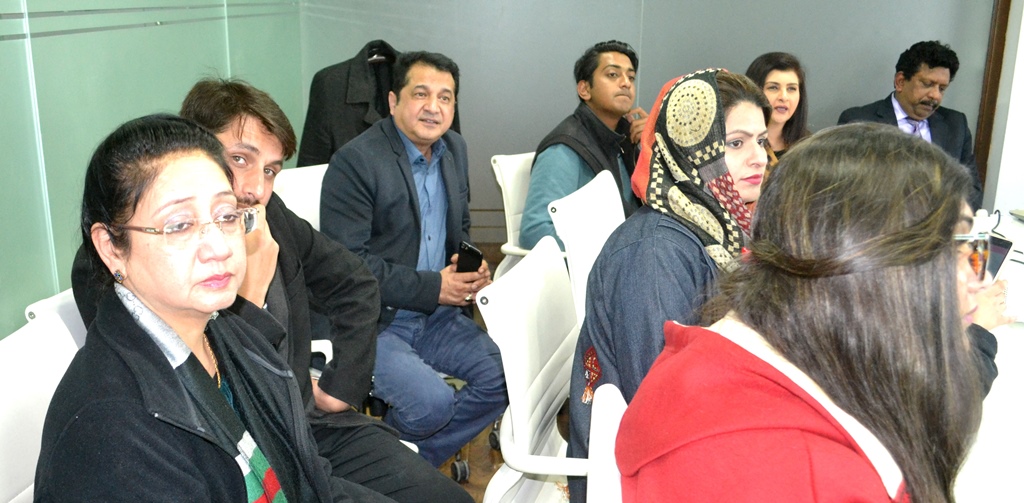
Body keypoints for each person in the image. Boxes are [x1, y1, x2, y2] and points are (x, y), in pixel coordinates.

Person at [71, 79, 472, 502]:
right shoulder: (116, 269)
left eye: (270, 170)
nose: (256, 189)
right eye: (239, 159)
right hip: (237, 447)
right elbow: (191, 391)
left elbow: (355, 282)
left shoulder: (267, 214)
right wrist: (247, 294)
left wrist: (341, 387)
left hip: (307, 426)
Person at [617, 123, 985, 501]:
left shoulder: (774, 351)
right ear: (870, 271)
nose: (979, 278)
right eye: (959, 248)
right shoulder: (796, 475)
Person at [36, 114, 336, 501]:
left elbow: (307, 476)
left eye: (226, 216)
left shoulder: (228, 335)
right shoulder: (111, 428)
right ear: (111, 248)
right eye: (179, 225)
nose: (220, 248)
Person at [566, 69, 769, 502]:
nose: (759, 157)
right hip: (644, 472)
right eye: (736, 143)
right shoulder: (655, 254)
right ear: (691, 149)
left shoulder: (718, 225)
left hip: (689, 438)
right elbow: (660, 402)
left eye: (761, 140)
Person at [320, 51, 508, 467]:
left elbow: (460, 227)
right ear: (393, 101)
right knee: (431, 404)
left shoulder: (454, 148)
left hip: (437, 316)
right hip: (375, 321)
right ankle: (390, 469)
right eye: (421, 94)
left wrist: (471, 268)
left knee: (507, 376)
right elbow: (348, 267)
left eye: (445, 97)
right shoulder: (355, 162)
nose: (433, 107)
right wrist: (435, 286)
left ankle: (400, 467)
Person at [520, 40, 646, 250]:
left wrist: (653, 148)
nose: (626, 83)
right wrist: (610, 255)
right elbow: (535, 232)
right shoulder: (565, 149)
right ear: (585, 89)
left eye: (631, 77)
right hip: (597, 265)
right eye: (613, 74)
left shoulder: (626, 138)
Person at [838, 40, 982, 210]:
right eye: (927, 84)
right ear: (900, 81)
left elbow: (972, 191)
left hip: (941, 222)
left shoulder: (956, 124)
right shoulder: (859, 121)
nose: (935, 95)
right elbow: (848, 189)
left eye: (942, 88)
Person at [745, 51, 810, 160]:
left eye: (791, 88)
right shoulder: (733, 144)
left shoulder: (810, 147)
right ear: (754, 90)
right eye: (773, 88)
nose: (784, 97)